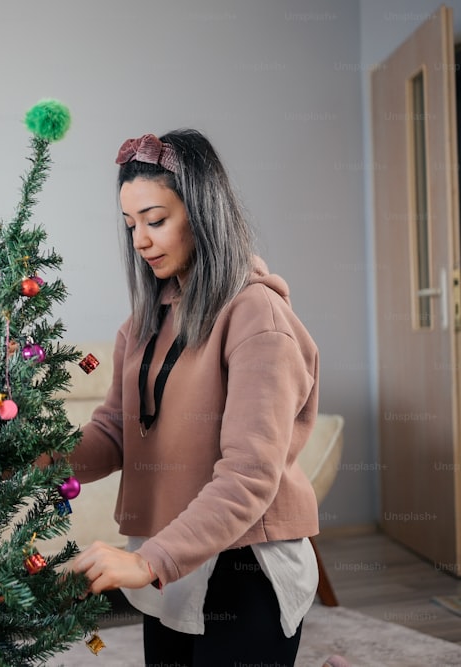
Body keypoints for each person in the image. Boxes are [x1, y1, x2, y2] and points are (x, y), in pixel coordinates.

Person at [68, 129, 320, 666]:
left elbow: (248, 477)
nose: (139, 240)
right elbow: (114, 433)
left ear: (203, 214)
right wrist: (22, 451)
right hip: (175, 567)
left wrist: (149, 561)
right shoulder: (142, 324)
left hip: (245, 563)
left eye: (155, 220)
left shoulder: (257, 317)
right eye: (130, 223)